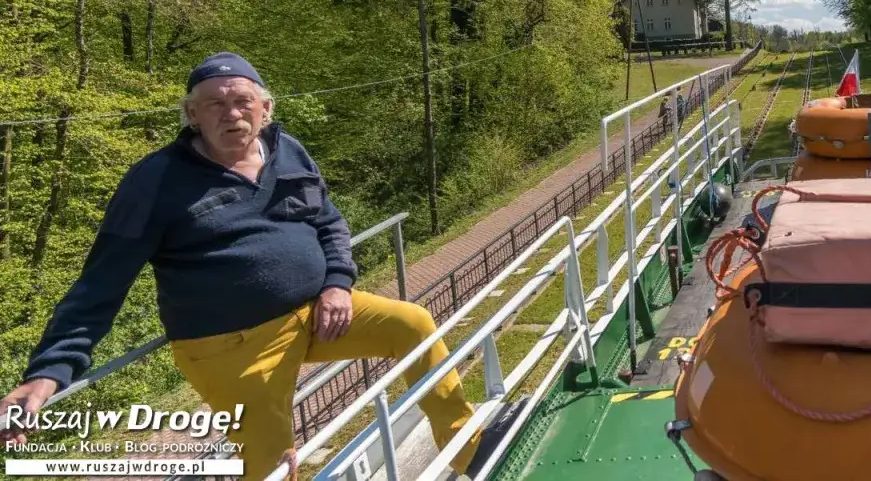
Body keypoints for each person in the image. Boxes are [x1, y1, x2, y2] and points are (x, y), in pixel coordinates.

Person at [0, 52, 508, 480]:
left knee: (412, 323)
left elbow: (329, 222)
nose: (232, 114)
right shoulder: (154, 181)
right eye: (215, 104)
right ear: (192, 115)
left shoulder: (288, 152)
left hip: (315, 314)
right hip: (230, 347)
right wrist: (46, 375)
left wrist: (337, 283)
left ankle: (469, 448)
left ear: (265, 108)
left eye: (243, 101)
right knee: (272, 464)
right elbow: (100, 284)